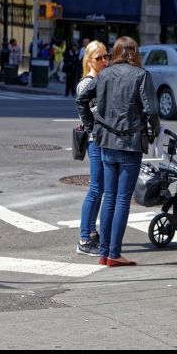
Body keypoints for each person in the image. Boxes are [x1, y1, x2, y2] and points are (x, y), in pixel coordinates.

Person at [76, 36, 160, 267]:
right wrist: (153, 132)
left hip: (106, 141)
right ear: (134, 53)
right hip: (131, 142)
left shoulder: (104, 74)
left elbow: (81, 98)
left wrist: (91, 126)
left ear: (115, 52)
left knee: (109, 197)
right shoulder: (140, 75)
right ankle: (114, 253)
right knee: (122, 199)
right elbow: (151, 109)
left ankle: (105, 252)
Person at [74, 41, 110, 257]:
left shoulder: (99, 79)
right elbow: (96, 113)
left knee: (100, 188)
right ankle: (84, 239)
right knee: (96, 189)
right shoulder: (86, 84)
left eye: (106, 56)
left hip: (101, 139)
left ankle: (92, 232)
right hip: (94, 140)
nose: (104, 61)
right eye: (99, 58)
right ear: (89, 61)